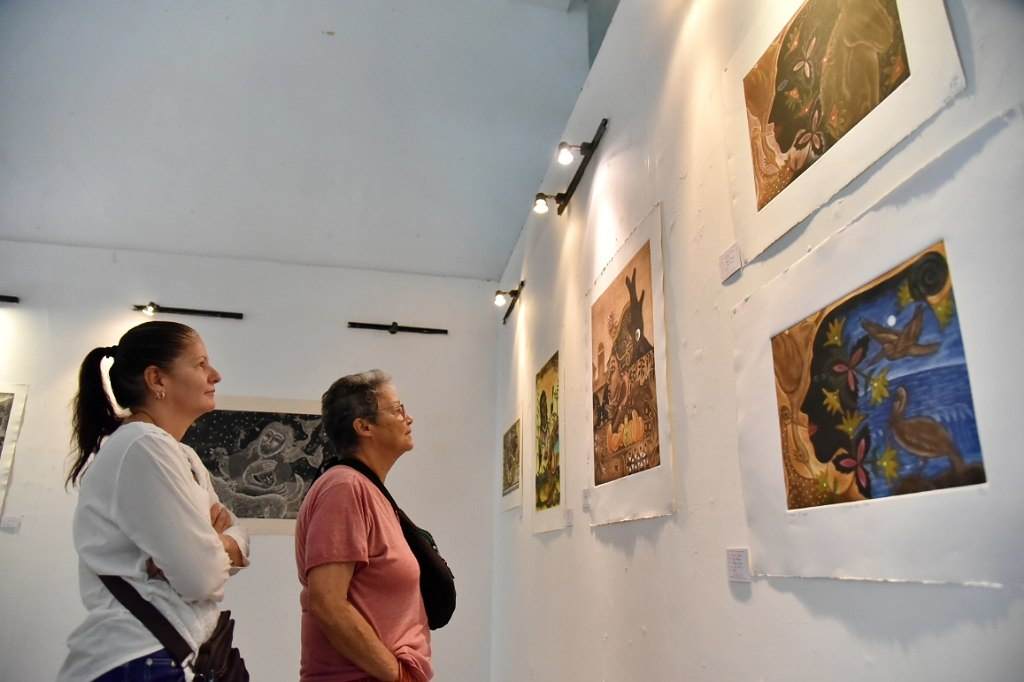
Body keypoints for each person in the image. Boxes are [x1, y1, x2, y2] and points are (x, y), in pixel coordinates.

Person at [58, 321, 251, 682]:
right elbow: (200, 578)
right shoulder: (143, 446)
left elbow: (238, 536)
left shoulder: (183, 456)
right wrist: (207, 549)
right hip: (138, 657)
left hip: (165, 655)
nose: (216, 375)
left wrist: (215, 544)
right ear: (156, 379)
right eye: (200, 364)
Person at [295, 370, 431, 682]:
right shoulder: (344, 489)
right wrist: (397, 675)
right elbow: (327, 603)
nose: (408, 418)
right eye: (397, 410)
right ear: (364, 426)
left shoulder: (365, 489)